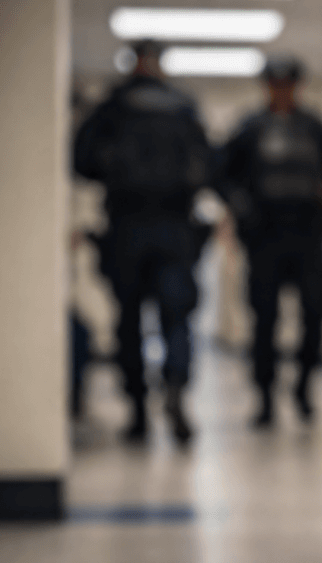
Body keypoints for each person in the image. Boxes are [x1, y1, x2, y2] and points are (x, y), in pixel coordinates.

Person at [73, 40, 211, 444]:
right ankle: (175, 387)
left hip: (126, 227)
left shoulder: (111, 108)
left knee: (129, 322)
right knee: (177, 318)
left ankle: (137, 412)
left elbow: (81, 162)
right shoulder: (184, 107)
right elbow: (208, 166)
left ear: (132, 64)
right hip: (174, 227)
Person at [214, 55, 322, 426]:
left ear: (297, 86)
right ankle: (264, 399)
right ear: (266, 87)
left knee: (315, 317)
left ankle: (304, 391)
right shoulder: (250, 128)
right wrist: (240, 205)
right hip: (264, 240)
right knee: (264, 322)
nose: (281, 90)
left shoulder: (314, 128)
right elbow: (221, 175)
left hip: (308, 238)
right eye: (275, 84)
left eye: (288, 84)